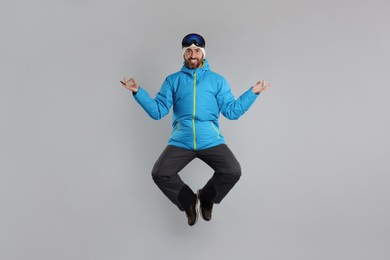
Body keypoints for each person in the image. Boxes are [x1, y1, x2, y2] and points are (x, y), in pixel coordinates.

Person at [121, 33, 270, 226]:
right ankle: (189, 201)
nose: (193, 55)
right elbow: (158, 111)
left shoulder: (217, 81)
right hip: (181, 141)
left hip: (210, 140)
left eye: (197, 51)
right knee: (160, 173)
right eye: (189, 51)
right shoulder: (172, 81)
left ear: (203, 54)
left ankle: (206, 197)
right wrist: (137, 92)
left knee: (232, 171)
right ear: (183, 54)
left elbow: (232, 112)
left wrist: (253, 93)